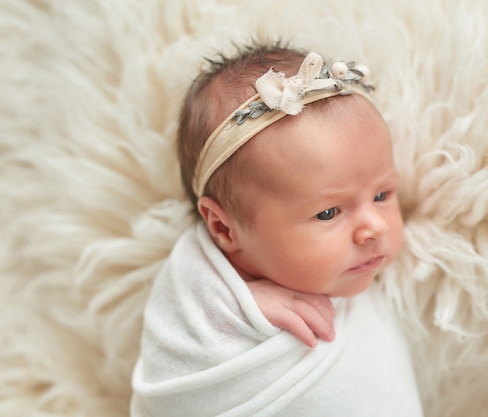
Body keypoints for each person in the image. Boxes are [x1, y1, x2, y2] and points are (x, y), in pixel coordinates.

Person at [131, 42, 423, 417]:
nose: (375, 226)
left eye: (382, 194)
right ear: (222, 227)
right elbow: (173, 379)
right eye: (328, 212)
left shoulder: (345, 272)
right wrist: (238, 307)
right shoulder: (195, 288)